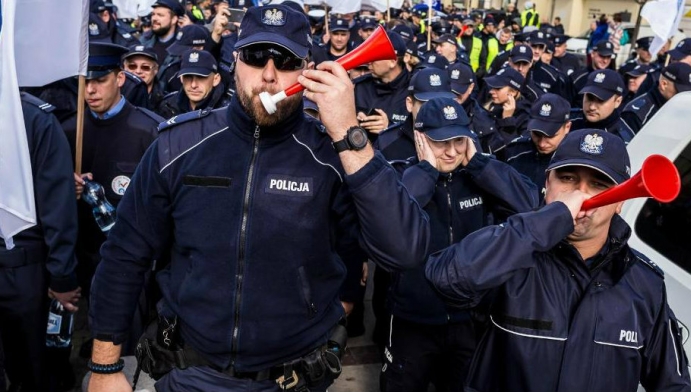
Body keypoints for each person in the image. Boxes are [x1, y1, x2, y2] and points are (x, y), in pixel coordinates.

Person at [86, 5, 429, 391]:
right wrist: (104, 366)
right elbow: (125, 254)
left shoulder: (334, 154)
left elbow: (404, 251)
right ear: (235, 61)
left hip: (294, 378)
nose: (268, 75)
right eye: (254, 56)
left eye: (284, 60)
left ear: (308, 69)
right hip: (190, 372)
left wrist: (350, 134)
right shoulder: (177, 145)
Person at [425, 128, 691, 392]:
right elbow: (447, 278)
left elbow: (673, 383)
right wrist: (551, 219)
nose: (582, 195)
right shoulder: (512, 252)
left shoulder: (647, 285)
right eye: (567, 178)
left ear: (620, 202)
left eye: (599, 184)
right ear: (546, 185)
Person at [380, 97, 538, 392]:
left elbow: (529, 206)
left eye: (459, 141)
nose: (452, 152)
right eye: (441, 142)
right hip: (414, 317)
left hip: (469, 318)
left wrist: (479, 164)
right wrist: (426, 171)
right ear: (420, 138)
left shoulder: (480, 174)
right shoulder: (402, 173)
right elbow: (392, 222)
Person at [61, 43, 162, 355]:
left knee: (127, 340)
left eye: (99, 80)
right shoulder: (68, 130)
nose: (90, 90)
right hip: (83, 252)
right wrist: (68, 190)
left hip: (130, 258)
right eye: (85, 82)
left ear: (120, 78)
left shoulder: (149, 130)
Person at [0, 93, 81, 392]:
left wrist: (62, 277)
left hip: (21, 268)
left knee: (35, 369)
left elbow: (57, 206)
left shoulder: (34, 119)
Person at [505, 93, 571, 199]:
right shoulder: (514, 151)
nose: (542, 143)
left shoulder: (575, 162)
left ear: (567, 127)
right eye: (537, 134)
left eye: (550, 136)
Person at [354, 30, 411, 133]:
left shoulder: (414, 89)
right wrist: (355, 121)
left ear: (392, 62)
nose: (368, 62)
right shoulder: (358, 87)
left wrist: (389, 127)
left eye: (374, 57)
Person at [621, 62, 691, 134]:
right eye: (680, 91)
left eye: (687, 92)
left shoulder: (687, 109)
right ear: (664, 84)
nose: (684, 96)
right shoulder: (638, 113)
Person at [156, 50, 230, 119]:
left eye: (201, 77)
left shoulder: (227, 112)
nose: (193, 85)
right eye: (188, 77)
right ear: (181, 78)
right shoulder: (167, 105)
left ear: (215, 79)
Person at [570, 69, 635, 143]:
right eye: (589, 97)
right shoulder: (567, 122)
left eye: (601, 100)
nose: (592, 107)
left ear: (617, 102)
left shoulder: (623, 141)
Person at [141, 0, 185, 66]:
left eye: (160, 15)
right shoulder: (144, 40)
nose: (154, 18)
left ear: (174, 19)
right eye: (153, 14)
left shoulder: (184, 44)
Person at [122, 45, 164, 110]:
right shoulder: (113, 98)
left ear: (156, 69)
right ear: (124, 68)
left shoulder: (165, 102)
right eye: (132, 66)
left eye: (145, 67)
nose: (138, 71)